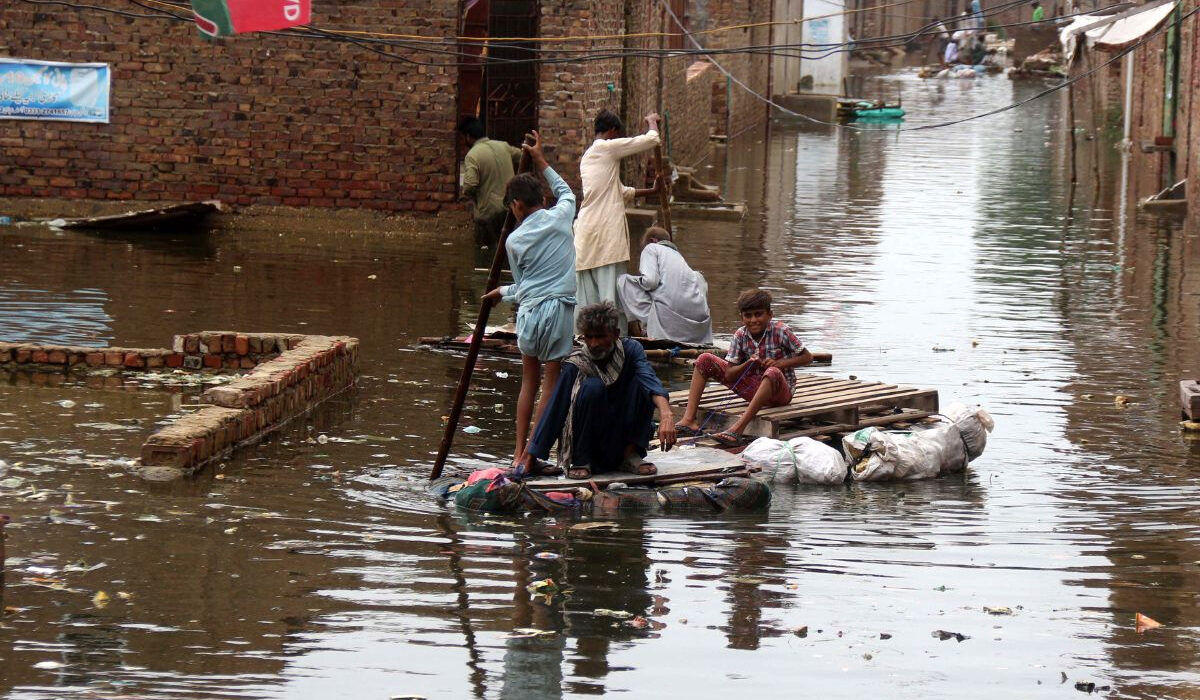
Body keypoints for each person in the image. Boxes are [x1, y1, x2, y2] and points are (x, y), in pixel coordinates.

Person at [481, 130, 576, 467]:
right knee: (549, 383)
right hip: (556, 312)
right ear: (541, 200)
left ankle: (518, 451)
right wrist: (541, 161)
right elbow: (567, 192)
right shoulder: (562, 215)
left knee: (528, 383)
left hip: (529, 315)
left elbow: (522, 287)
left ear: (517, 206)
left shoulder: (514, 241)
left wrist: (501, 292)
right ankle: (532, 456)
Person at [516, 302, 677, 480]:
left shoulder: (631, 351)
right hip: (591, 448)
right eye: (589, 337)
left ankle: (630, 455)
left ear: (616, 334)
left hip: (621, 442)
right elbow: (555, 410)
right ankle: (582, 461)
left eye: (600, 337)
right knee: (592, 387)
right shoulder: (576, 364)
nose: (593, 344)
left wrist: (666, 415)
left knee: (642, 384)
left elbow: (649, 380)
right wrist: (530, 456)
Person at [675, 289, 813, 446]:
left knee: (772, 371)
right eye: (748, 316)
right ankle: (689, 420)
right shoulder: (740, 335)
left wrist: (779, 364)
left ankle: (737, 429)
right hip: (754, 390)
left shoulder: (781, 331)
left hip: (780, 394)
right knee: (704, 359)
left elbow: (807, 358)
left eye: (758, 314)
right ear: (742, 318)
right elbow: (729, 375)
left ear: (769, 315)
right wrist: (747, 364)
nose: (753, 320)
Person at [574, 110, 662, 327]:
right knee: (610, 290)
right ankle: (613, 336)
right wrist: (652, 122)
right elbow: (652, 139)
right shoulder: (605, 147)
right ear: (612, 131)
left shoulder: (589, 157)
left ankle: (586, 334)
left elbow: (620, 192)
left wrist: (651, 191)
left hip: (587, 230)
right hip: (604, 232)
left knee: (589, 293)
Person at [617, 226, 713, 345]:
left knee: (623, 280)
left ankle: (643, 328)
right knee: (697, 276)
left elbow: (651, 282)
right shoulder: (679, 258)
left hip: (669, 324)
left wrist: (639, 282)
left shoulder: (652, 248)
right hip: (699, 329)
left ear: (653, 241)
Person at [458, 116, 522, 245]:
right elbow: (524, 155)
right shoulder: (504, 146)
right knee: (506, 251)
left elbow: (470, 186)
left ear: (468, 136)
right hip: (510, 210)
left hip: (487, 214)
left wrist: (468, 194)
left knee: (484, 255)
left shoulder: (472, 155)